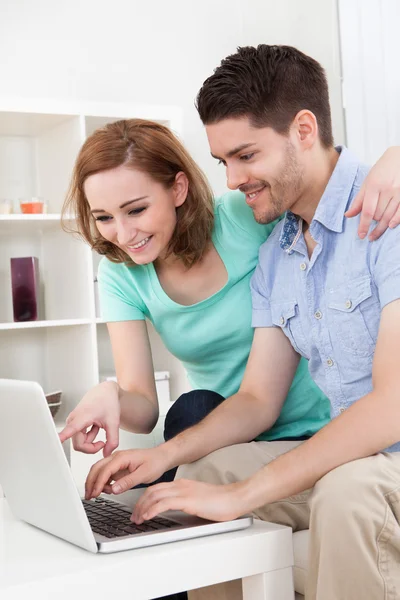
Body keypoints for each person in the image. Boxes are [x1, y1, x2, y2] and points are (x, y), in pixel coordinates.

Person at [84, 45, 400, 600]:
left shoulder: (385, 213)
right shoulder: (277, 249)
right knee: (204, 477)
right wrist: (161, 458)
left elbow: (394, 402)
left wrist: (246, 495)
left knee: (347, 492)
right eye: (223, 161)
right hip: (343, 444)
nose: (231, 180)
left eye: (245, 155)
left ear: (304, 129)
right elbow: (257, 399)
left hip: (383, 453)